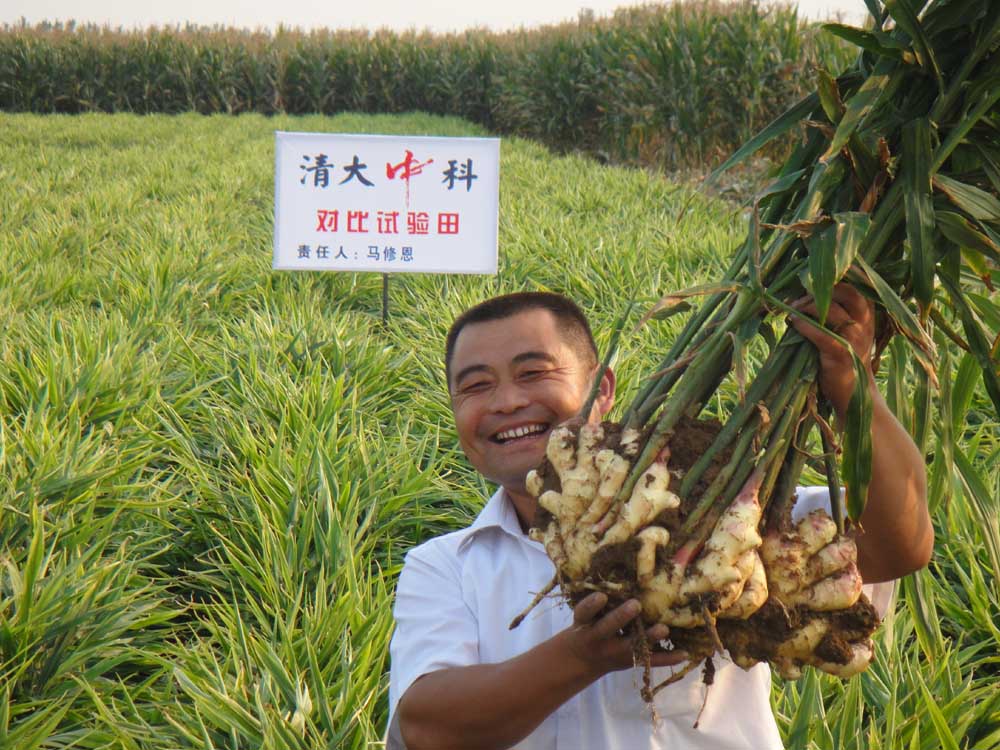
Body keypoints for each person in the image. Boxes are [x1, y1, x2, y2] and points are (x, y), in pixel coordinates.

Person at [387, 289, 932, 750]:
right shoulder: (445, 566)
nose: (506, 401)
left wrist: (851, 383)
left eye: (534, 372)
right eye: (476, 386)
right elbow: (427, 725)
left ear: (602, 390)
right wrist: (581, 656)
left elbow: (901, 543)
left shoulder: (717, 507)